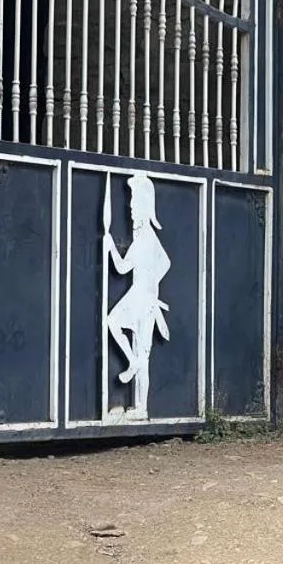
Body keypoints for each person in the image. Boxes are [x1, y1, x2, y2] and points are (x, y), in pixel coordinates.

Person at [105, 173, 171, 421]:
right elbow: (122, 268)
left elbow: (165, 262)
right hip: (136, 295)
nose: (130, 207)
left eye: (133, 201)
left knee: (144, 354)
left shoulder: (148, 237)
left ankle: (141, 407)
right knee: (113, 322)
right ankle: (131, 363)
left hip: (144, 300)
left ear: (144, 204)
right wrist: (110, 245)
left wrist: (152, 287)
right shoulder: (141, 237)